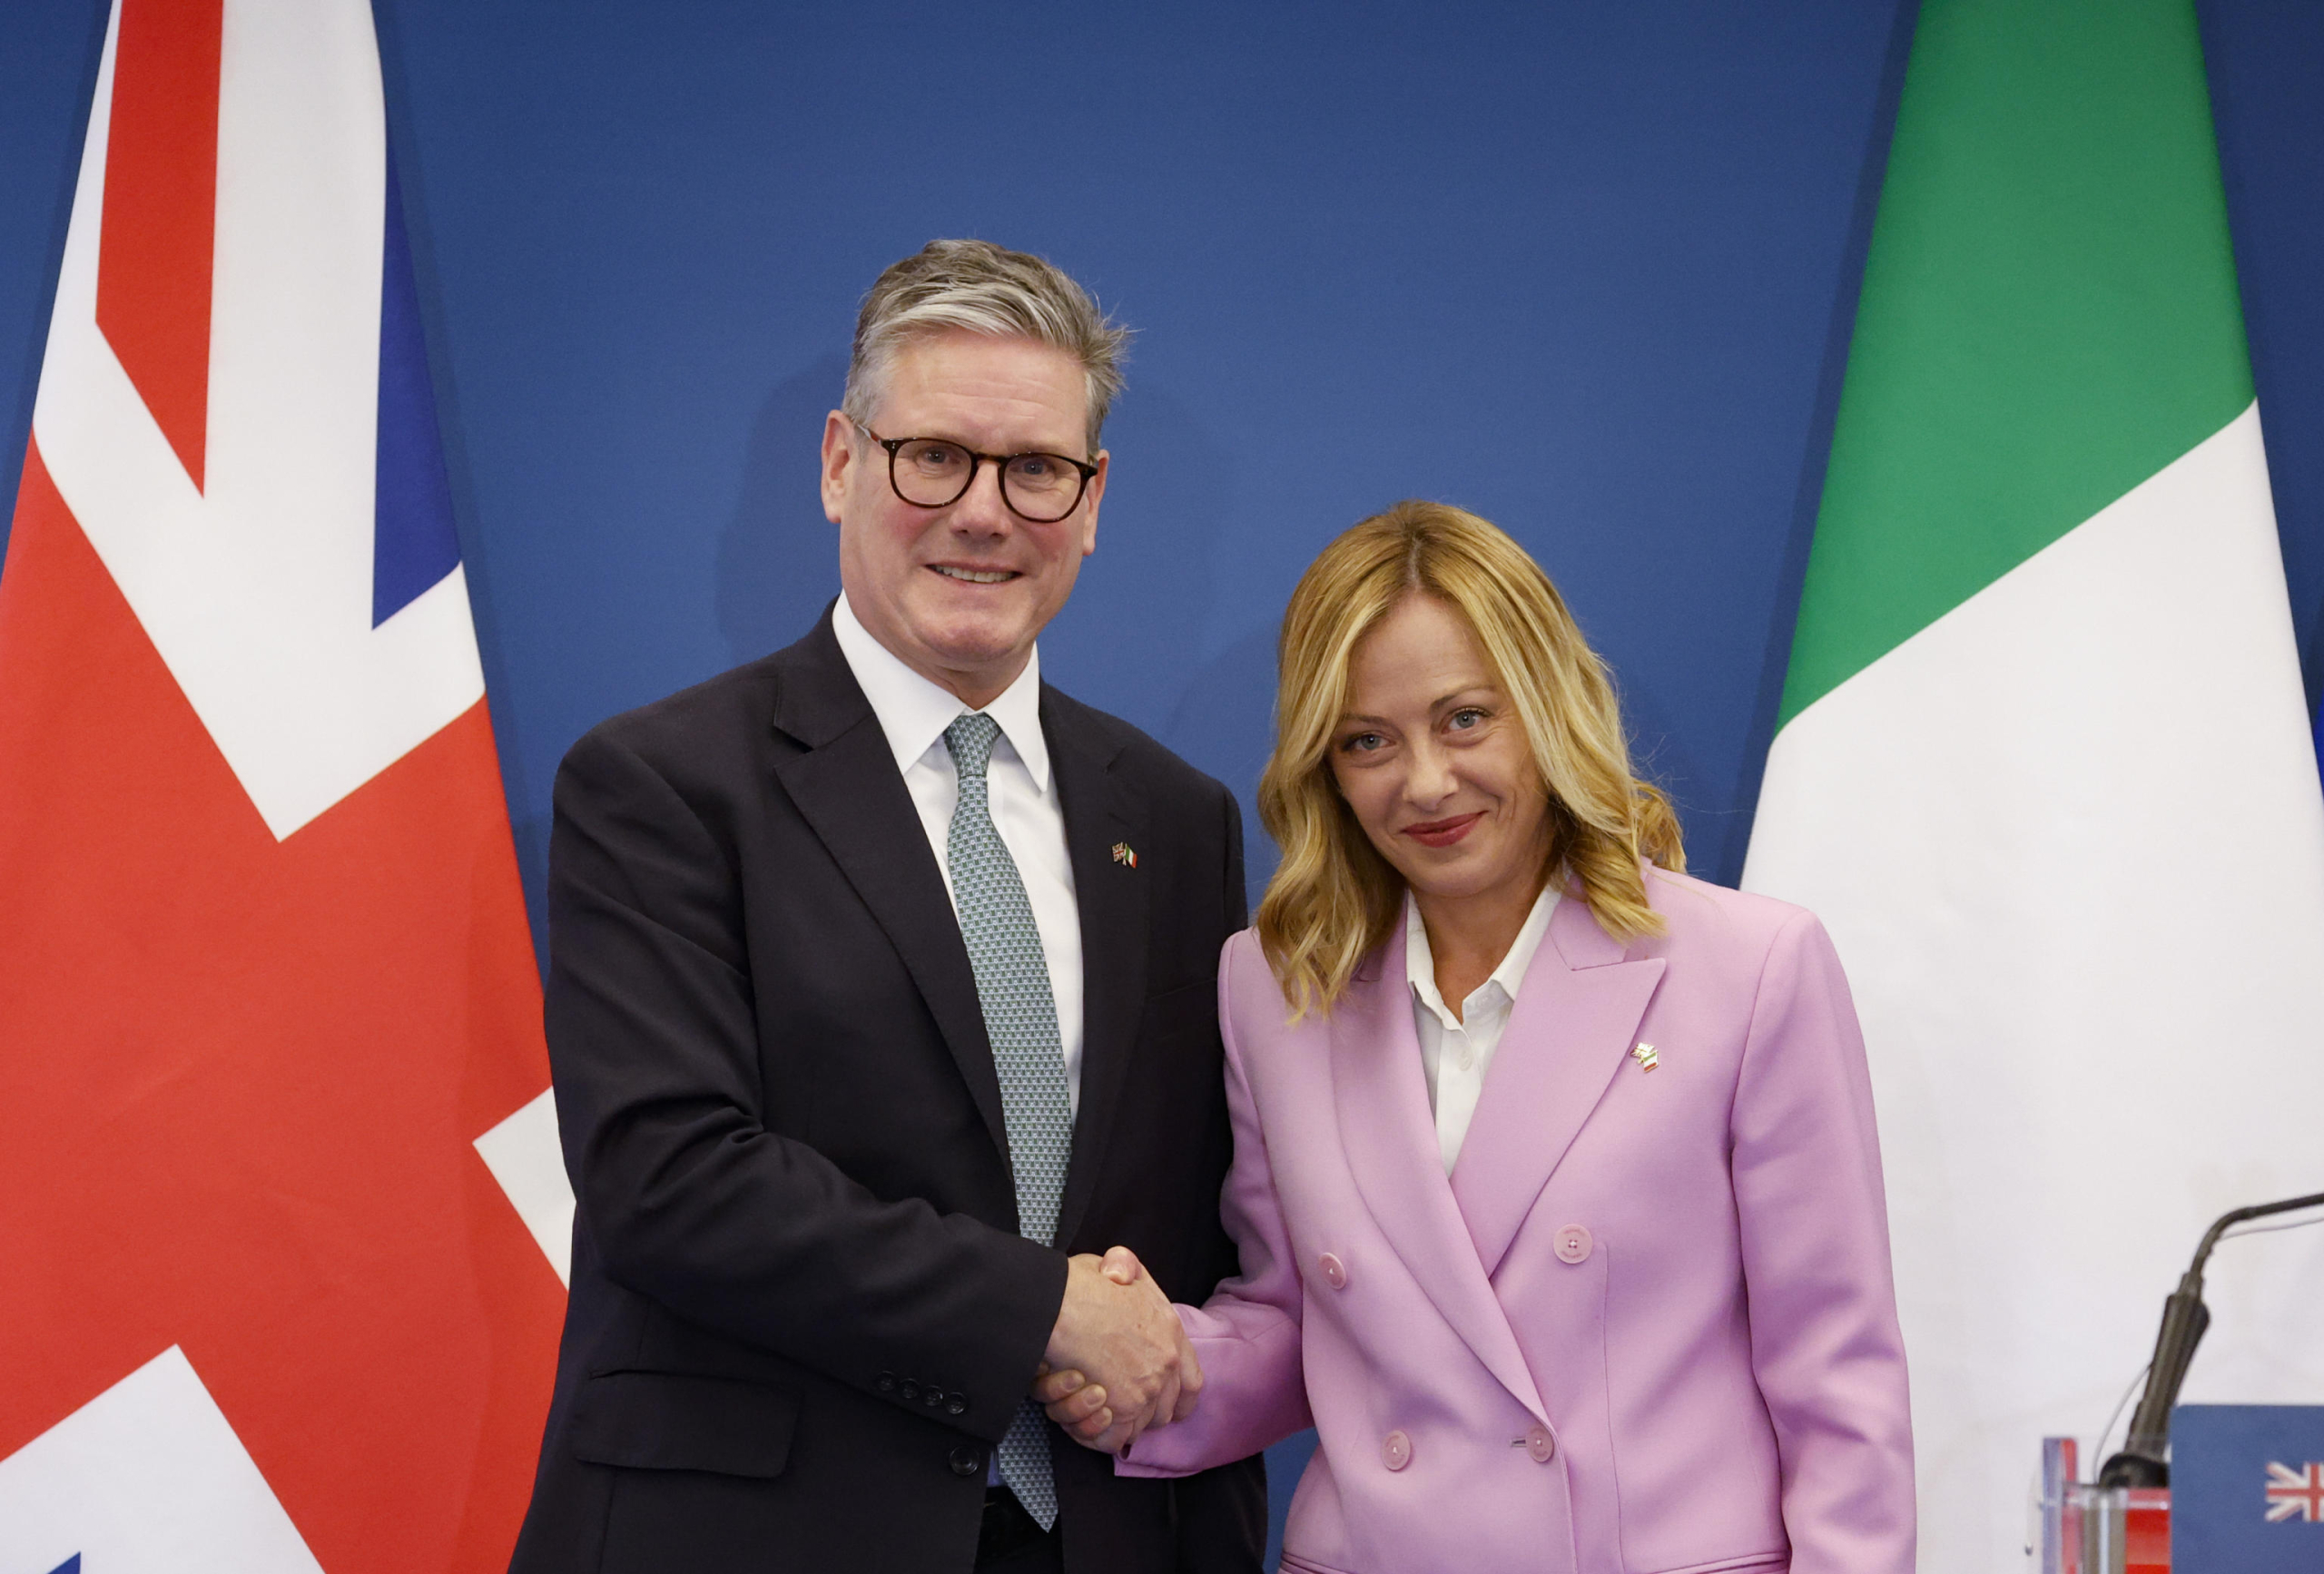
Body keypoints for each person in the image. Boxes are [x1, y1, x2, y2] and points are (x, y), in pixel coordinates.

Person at [508, 240, 1265, 1574]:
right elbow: (668, 1177)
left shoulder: (1177, 816)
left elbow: (1203, 1218)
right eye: (935, 457)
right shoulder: (662, 784)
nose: (985, 512)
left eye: (1036, 468)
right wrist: (1042, 1313)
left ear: (1092, 503)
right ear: (840, 464)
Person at [1039, 501, 1915, 1572]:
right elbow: (1298, 1320)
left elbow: (1838, 1380)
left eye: (1464, 719)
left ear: (1545, 706)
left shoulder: (1750, 969)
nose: (1426, 783)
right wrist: (1146, 1370)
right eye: (1368, 741)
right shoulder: (1272, 992)